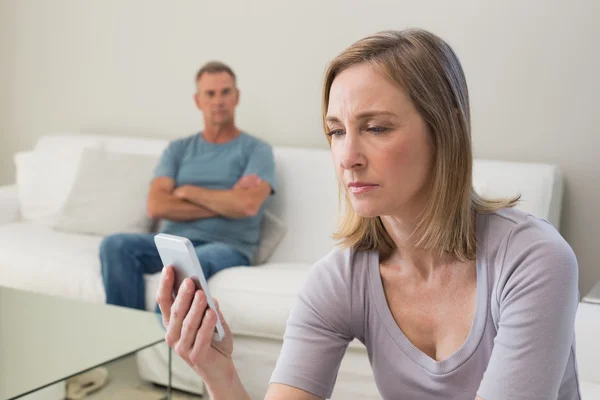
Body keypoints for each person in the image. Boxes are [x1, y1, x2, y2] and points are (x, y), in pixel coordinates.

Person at [155, 29, 580, 400]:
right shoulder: (341, 279)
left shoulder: (534, 259)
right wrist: (220, 376)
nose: (348, 157)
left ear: (446, 129)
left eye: (376, 128)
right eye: (337, 131)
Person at [101, 61, 276, 311]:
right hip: (172, 241)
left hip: (228, 247)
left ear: (237, 97)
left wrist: (189, 192)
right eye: (210, 94)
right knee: (115, 245)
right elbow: (156, 205)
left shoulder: (257, 150)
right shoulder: (178, 150)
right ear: (198, 101)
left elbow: (247, 205)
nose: (219, 101)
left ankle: (163, 345)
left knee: (189, 263)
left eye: (226, 92)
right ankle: (127, 340)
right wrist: (227, 202)